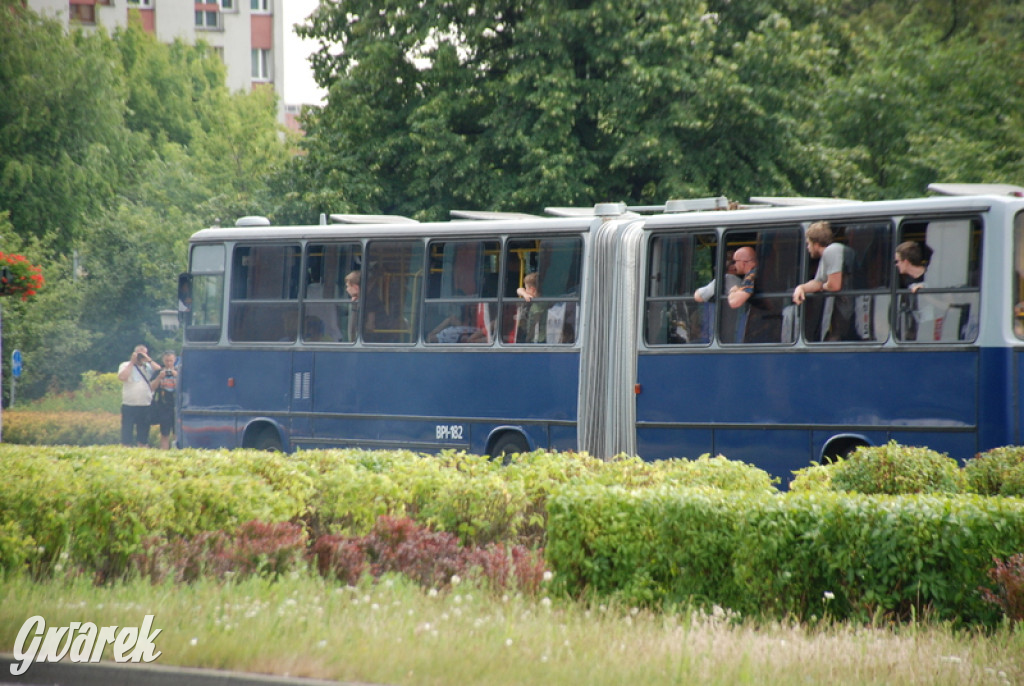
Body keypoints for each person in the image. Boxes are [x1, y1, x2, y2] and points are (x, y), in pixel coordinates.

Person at [792, 221, 855, 340]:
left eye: (808, 244)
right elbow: (818, 282)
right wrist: (802, 288)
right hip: (841, 314)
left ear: (816, 244)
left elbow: (834, 285)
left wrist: (822, 286)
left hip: (848, 313)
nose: (807, 248)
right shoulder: (828, 254)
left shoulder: (832, 251)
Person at [117, 344, 159, 447]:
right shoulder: (125, 365)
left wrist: (148, 360)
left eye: (143, 353)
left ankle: (142, 449)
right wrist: (132, 362)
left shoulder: (149, 367)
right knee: (126, 432)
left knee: (143, 433)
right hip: (129, 404)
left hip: (145, 404)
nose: (141, 356)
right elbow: (122, 377)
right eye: (139, 353)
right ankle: (126, 449)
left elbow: (159, 370)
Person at [895, 241, 930, 341]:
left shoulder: (931, 275)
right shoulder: (906, 281)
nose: (896, 265)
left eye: (897, 261)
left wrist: (925, 293)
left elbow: (945, 305)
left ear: (906, 261)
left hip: (932, 328)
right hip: (916, 329)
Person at [150, 351, 178, 450]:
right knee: (164, 433)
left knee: (177, 433)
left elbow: (186, 388)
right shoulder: (158, 372)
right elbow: (151, 388)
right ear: (163, 360)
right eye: (167, 361)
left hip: (176, 406)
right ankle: (164, 452)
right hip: (163, 406)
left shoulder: (180, 371)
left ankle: (177, 452)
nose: (169, 363)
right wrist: (159, 377)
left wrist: (177, 377)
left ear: (175, 360)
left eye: (171, 361)